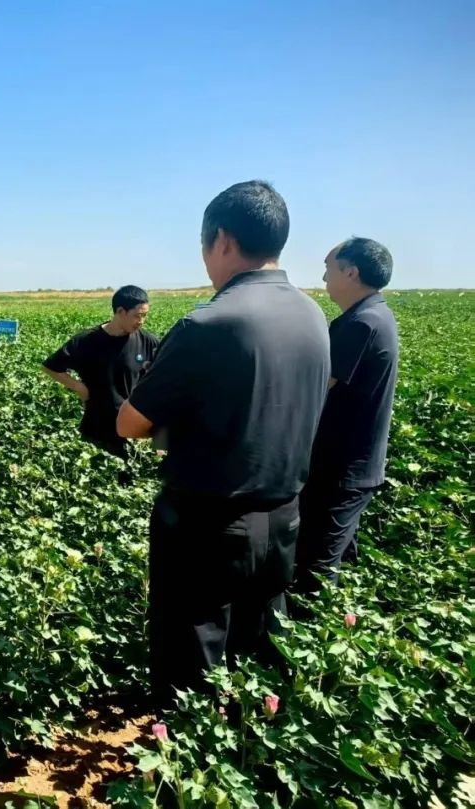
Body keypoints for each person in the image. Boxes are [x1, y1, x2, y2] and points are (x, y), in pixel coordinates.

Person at [116, 180, 330, 708]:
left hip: (209, 525)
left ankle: (186, 754)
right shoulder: (312, 314)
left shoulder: (210, 323)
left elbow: (130, 423)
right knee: (258, 654)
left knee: (192, 660)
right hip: (283, 517)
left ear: (223, 241)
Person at [295, 238, 398, 590]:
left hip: (341, 470)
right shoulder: (374, 314)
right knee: (337, 556)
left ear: (351, 273)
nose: (324, 278)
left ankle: (316, 620)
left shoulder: (362, 323)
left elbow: (314, 389)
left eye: (329, 268)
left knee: (316, 568)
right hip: (349, 467)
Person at [42, 285, 159, 458]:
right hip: (96, 429)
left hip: (131, 431)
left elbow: (161, 380)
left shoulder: (148, 341)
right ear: (120, 311)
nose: (141, 321)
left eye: (144, 315)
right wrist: (79, 387)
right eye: (137, 316)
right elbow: (50, 367)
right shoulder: (87, 341)